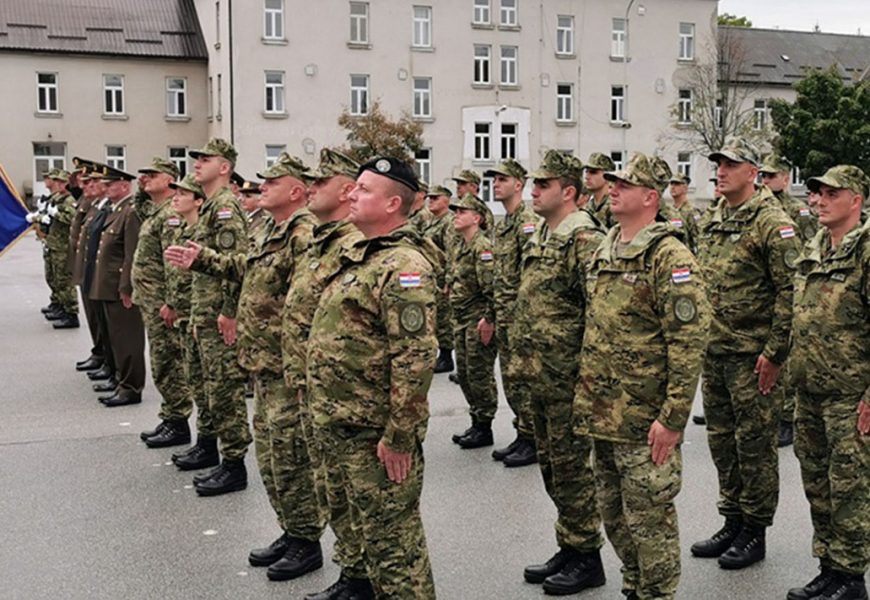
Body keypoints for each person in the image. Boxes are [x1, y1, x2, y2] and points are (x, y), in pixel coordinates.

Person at [167, 152, 325, 577]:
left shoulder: (303, 232)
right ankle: (292, 530)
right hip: (265, 363)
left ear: (295, 191)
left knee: (291, 456)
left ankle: (307, 539)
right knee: (273, 457)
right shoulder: (273, 229)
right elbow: (246, 267)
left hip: (285, 365)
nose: (261, 188)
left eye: (271, 183)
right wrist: (202, 258)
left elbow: (308, 300)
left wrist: (301, 366)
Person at [578, 153, 711, 600]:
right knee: (613, 514)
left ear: (650, 197)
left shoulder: (669, 255)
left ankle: (656, 594)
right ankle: (634, 586)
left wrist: (673, 417)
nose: (613, 189)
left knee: (649, 519)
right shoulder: (606, 244)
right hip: (603, 414)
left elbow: (688, 342)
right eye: (612, 182)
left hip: (644, 417)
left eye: (625, 184)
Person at [306, 156, 437, 599]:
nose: (352, 194)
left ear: (392, 204)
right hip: (342, 424)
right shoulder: (361, 255)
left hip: (373, 434)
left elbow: (415, 357)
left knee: (396, 555)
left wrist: (399, 435)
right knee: (371, 546)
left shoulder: (402, 266)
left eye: (363, 189)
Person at [692, 138, 800, 569]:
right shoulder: (713, 217)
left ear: (752, 173)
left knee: (754, 446)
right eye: (718, 163)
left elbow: (791, 291)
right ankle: (732, 518)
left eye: (730, 165)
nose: (720, 170)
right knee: (722, 443)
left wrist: (775, 353)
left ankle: (755, 530)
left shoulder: (772, 222)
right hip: (715, 352)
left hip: (753, 357)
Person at [279, 148, 374, 600]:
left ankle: (361, 576)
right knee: (331, 488)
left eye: (320, 182)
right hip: (313, 387)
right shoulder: (322, 238)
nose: (310, 188)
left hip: (348, 396)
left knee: (354, 495)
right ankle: (352, 573)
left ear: (347, 189)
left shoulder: (355, 243)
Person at [512, 150, 606, 595]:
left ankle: (587, 555)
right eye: (533, 184)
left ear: (568, 192)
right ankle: (570, 544)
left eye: (542, 185)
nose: (534, 191)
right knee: (553, 466)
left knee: (572, 469)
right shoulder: (545, 235)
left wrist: (588, 379)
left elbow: (598, 312)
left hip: (569, 377)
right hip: (541, 374)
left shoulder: (582, 237)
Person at [786, 165, 870, 600]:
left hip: (849, 395)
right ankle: (829, 567)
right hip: (809, 391)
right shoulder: (814, 247)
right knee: (817, 482)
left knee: (850, 488)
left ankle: (852, 578)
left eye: (829, 193)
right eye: (816, 192)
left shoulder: (866, 251)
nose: (817, 199)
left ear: (855, 200)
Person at [169, 138, 252, 497]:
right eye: (196, 158)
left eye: (205, 159)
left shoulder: (226, 209)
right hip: (202, 313)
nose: (197, 164)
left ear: (225, 167)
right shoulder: (211, 207)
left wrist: (229, 311)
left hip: (218, 314)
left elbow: (238, 266)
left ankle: (234, 464)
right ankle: (210, 446)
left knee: (224, 390)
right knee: (205, 386)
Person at [130, 157, 194, 448]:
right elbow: (138, 203)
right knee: (160, 361)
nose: (144, 179)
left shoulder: (171, 215)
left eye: (151, 174)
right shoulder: (156, 211)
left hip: (162, 304)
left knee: (168, 362)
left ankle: (178, 420)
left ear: (169, 179)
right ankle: (171, 416)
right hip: (151, 299)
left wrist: (172, 302)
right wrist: (142, 186)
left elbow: (174, 262)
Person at [759, 153, 819, 448]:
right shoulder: (761, 209)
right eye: (764, 176)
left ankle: (786, 420)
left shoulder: (798, 211)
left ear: (785, 178)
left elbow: (809, 247)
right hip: (768, 293)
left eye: (772, 176)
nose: (766, 181)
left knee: (787, 356)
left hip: (793, 285)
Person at [484, 158, 540, 467]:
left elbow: (528, 274)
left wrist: (523, 318)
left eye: (502, 179)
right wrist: (491, 315)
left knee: (524, 380)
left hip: (521, 319)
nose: (496, 184)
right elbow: (499, 276)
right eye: (494, 179)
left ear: (519, 184)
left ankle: (532, 439)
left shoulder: (526, 221)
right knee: (511, 379)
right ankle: (522, 433)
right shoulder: (503, 223)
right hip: (504, 318)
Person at [88, 164, 146, 407]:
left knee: (127, 338)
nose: (106, 187)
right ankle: (120, 379)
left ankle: (131, 387)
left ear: (125, 185)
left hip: (118, 286)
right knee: (114, 337)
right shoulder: (116, 210)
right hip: (107, 284)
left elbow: (131, 253)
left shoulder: (130, 212)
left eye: (111, 184)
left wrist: (127, 287)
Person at [448, 193, 498, 450]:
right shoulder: (460, 245)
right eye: (455, 211)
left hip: (477, 320)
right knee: (466, 373)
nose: (456, 215)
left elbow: (492, 289)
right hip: (461, 319)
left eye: (462, 211)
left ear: (476, 218)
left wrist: (488, 319)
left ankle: (484, 426)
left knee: (479, 374)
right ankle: (475, 421)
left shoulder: (482, 247)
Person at [423, 185, 457, 375]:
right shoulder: (433, 222)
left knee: (444, 318)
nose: (431, 200)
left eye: (436, 198)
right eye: (430, 198)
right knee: (436, 316)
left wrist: (449, 280)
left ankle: (446, 356)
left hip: (442, 276)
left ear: (447, 200)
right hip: (432, 276)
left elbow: (452, 252)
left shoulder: (449, 223)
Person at [667, 173, 701, 255]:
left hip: (686, 257)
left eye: (677, 184)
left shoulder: (692, 211)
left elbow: (698, 238)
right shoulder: (669, 211)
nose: (673, 187)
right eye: (671, 184)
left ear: (685, 188)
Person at [585, 152, 616, 228]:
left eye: (593, 172)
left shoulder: (614, 205)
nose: (587, 177)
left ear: (607, 176)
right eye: (586, 172)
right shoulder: (589, 206)